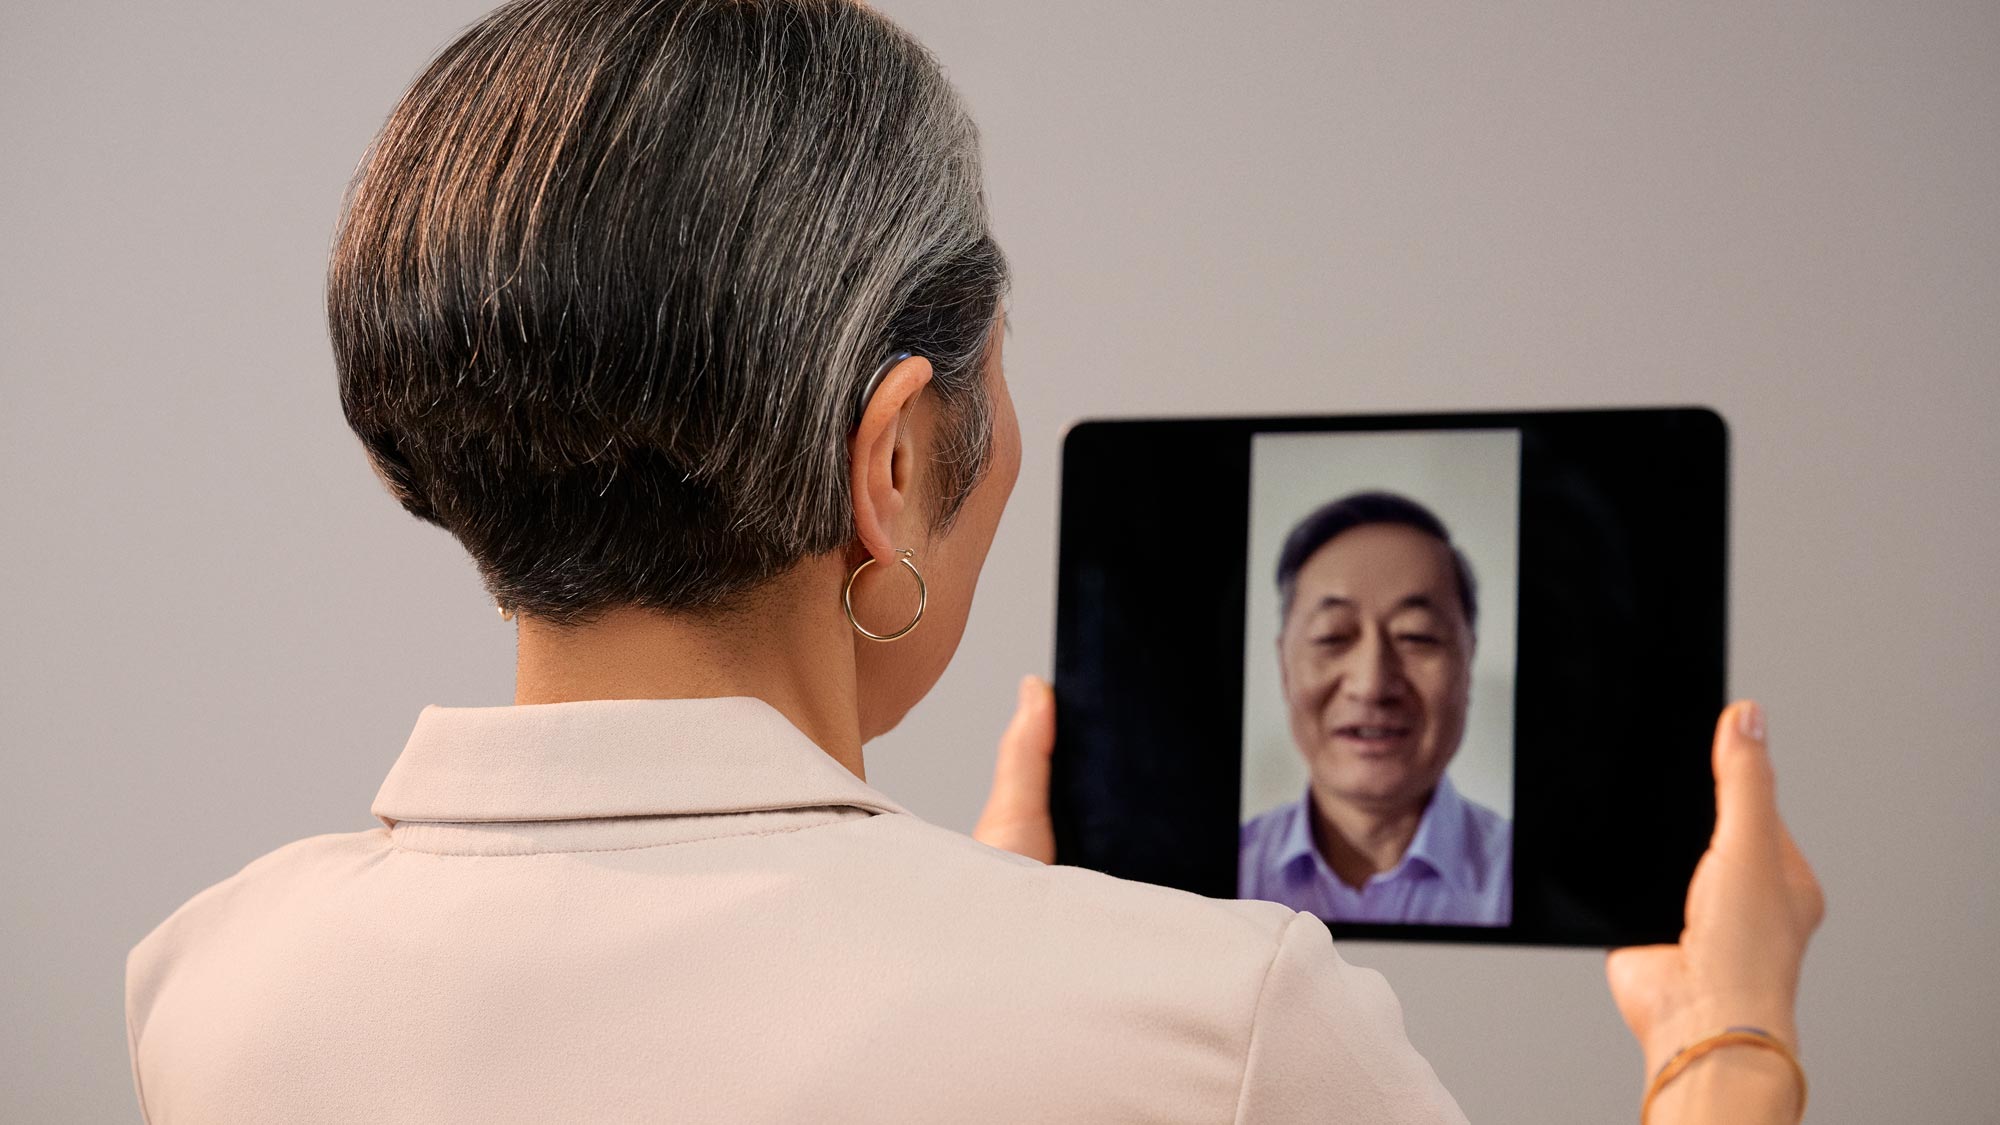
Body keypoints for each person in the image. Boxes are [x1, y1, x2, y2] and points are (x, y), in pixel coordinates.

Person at [124, 2, 1823, 1122]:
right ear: (888, 463)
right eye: (998, 388)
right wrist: (1722, 1048)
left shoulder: (213, 985)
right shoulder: (1235, 1032)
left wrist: (996, 912)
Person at [1239, 491, 1512, 925]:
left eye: (1417, 636)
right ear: (1284, 665)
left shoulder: (1533, 884)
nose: (1371, 685)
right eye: (1332, 637)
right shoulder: (1207, 884)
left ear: (1468, 661)